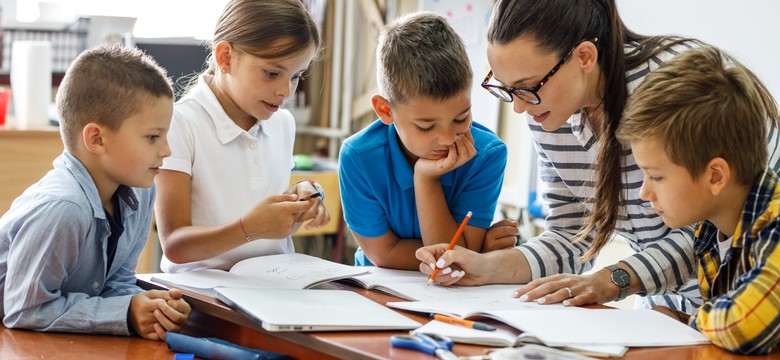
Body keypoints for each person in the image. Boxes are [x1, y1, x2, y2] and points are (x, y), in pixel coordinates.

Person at [416, 0, 780, 314]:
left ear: (584, 56)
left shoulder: (675, 94)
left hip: (743, 305)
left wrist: (614, 278)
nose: (520, 109)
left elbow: (714, 227)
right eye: (507, 89)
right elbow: (573, 234)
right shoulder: (549, 113)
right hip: (665, 316)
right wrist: (487, 267)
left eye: (528, 88)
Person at [0, 44, 191, 340]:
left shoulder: (140, 193)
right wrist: (123, 312)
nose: (166, 150)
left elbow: (117, 282)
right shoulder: (64, 207)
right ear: (97, 139)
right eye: (153, 137)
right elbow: (24, 309)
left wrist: (149, 308)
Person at [616, 46, 780, 355]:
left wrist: (687, 322)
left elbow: (745, 324)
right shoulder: (710, 231)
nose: (644, 193)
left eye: (657, 176)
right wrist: (677, 320)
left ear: (715, 176)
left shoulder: (775, 224)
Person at [155, 0, 330, 273]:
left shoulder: (282, 122)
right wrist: (249, 228)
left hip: (274, 283)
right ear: (225, 57)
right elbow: (175, 246)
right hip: (204, 294)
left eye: (296, 76)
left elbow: (260, 197)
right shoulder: (181, 123)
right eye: (272, 73)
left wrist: (302, 197)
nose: (286, 91)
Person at [339, 12, 509, 270]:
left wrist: (426, 179)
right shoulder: (358, 157)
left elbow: (455, 259)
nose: (448, 137)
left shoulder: (486, 155)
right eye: (426, 126)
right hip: (377, 289)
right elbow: (383, 255)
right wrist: (476, 251)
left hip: (455, 297)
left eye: (461, 118)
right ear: (386, 111)